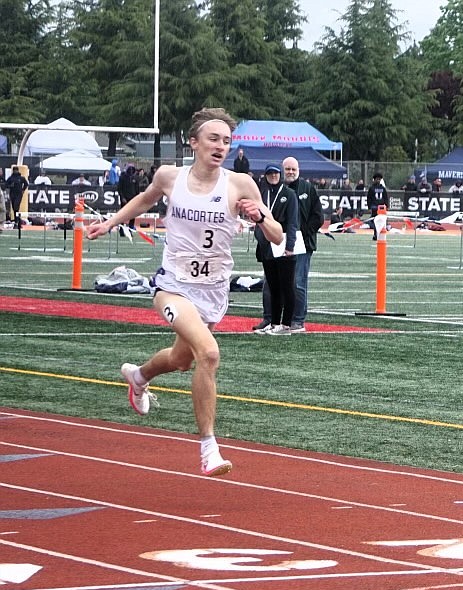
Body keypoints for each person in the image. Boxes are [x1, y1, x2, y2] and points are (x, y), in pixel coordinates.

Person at [84, 107, 283, 477]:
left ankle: (139, 376)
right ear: (193, 142)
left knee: (181, 361)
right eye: (213, 138)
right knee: (208, 354)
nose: (221, 146)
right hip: (172, 286)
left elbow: (277, 235)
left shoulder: (241, 184)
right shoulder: (170, 176)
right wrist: (110, 222)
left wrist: (258, 216)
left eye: (226, 140)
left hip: (212, 291)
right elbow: (145, 199)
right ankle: (209, 448)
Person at [254, 163, 300, 336]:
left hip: (284, 244)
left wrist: (290, 246)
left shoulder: (289, 194)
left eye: (275, 173)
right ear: (265, 176)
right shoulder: (262, 195)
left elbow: (293, 222)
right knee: (273, 286)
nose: (273, 176)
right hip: (267, 246)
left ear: (280, 175)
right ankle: (274, 322)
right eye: (269, 173)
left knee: (287, 287)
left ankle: (286, 324)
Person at [283, 156, 322, 332]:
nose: (290, 172)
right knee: (278, 282)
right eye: (287, 169)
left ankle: (298, 319)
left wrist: (303, 233)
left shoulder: (308, 188)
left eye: (293, 169)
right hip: (280, 242)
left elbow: (318, 216)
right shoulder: (278, 189)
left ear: (298, 170)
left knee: (298, 282)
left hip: (303, 244)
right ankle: (277, 318)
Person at [367, 172, 388, 240]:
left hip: (381, 208)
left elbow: (385, 197)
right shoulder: (372, 188)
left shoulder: (382, 188)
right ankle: (376, 234)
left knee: (381, 222)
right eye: (377, 179)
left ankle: (379, 234)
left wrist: (387, 205)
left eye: (379, 179)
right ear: (374, 179)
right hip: (374, 207)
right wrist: (369, 206)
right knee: (375, 221)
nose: (378, 180)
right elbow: (369, 198)